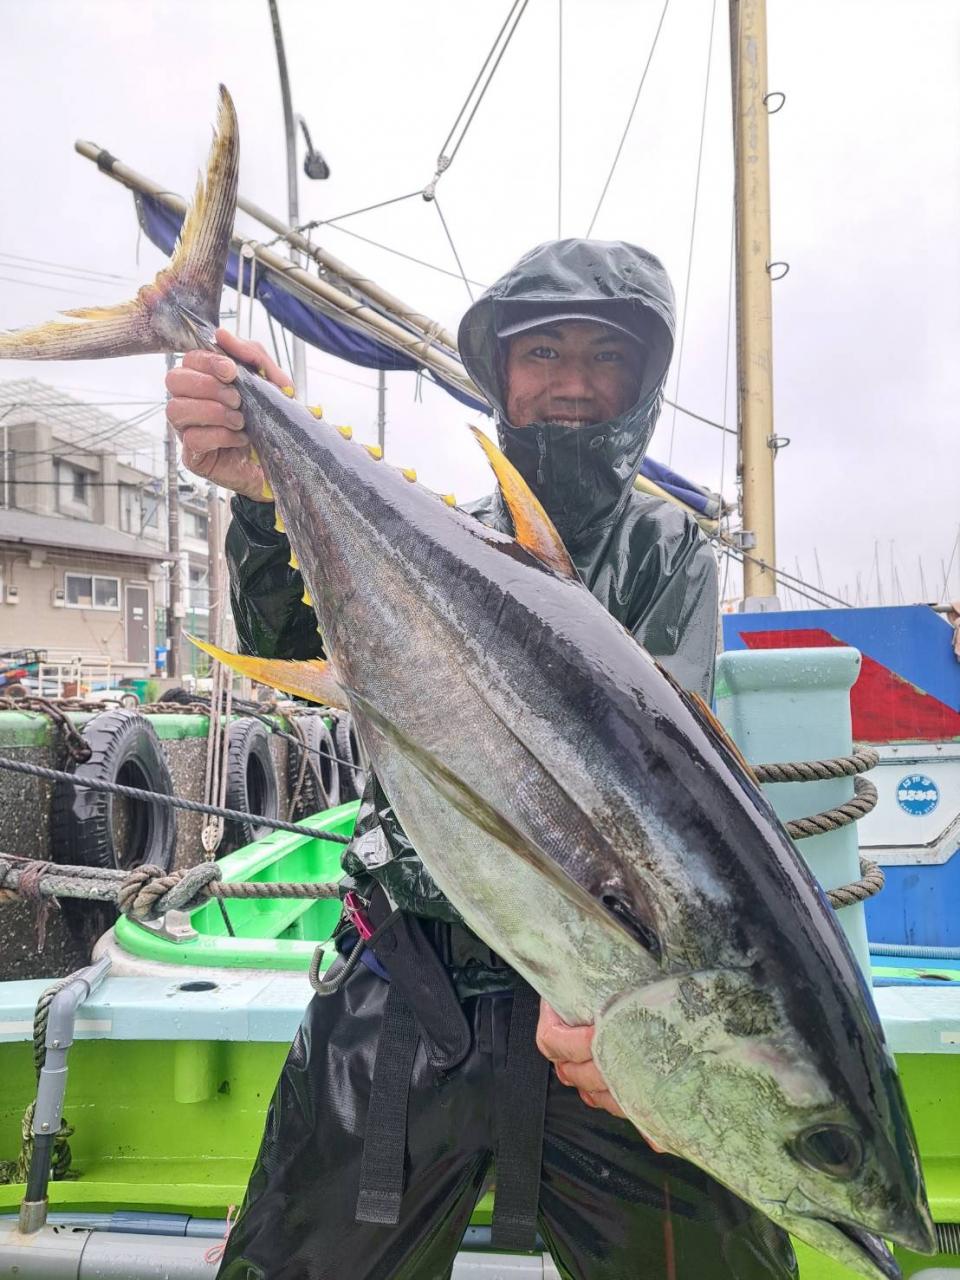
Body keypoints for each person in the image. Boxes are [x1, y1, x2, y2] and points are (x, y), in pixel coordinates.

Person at [166, 239, 796, 1280]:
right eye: (544, 351)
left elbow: (645, 793)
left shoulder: (670, 548)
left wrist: (622, 1005)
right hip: (413, 977)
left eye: (606, 355)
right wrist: (262, 493)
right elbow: (292, 638)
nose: (574, 382)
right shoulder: (439, 538)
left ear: (643, 380)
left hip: (598, 1001)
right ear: (501, 372)